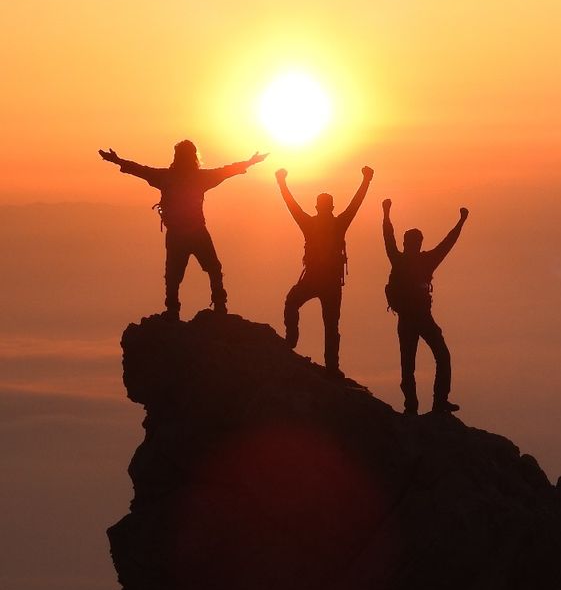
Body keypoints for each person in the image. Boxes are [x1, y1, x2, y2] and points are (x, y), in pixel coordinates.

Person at [98, 140, 267, 317]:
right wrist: (251, 162)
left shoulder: (166, 177)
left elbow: (140, 169)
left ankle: (173, 310)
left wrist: (116, 160)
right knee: (211, 269)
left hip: (178, 234)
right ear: (194, 157)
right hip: (197, 232)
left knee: (174, 275)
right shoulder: (199, 178)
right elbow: (226, 171)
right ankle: (218, 306)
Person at [277, 166, 373, 377]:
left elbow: (291, 205)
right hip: (329, 283)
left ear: (319, 207)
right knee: (330, 324)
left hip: (315, 279)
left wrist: (281, 182)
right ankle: (331, 366)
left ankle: (292, 341)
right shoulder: (338, 224)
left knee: (294, 302)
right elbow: (355, 204)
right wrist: (366, 180)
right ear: (330, 207)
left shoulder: (310, 223)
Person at [382, 198, 469, 415]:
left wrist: (386, 213)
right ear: (418, 243)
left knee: (408, 364)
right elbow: (448, 243)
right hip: (421, 318)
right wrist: (461, 221)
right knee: (441, 355)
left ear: (406, 243)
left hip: (407, 319)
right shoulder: (427, 260)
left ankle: (412, 407)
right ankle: (438, 402)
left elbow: (388, 238)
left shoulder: (399, 259)